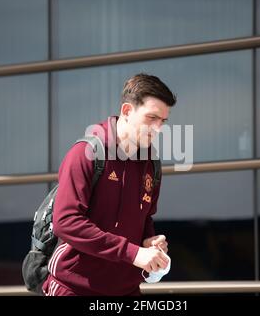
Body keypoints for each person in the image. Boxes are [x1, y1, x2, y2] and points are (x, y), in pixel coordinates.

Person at [42, 73, 177, 296]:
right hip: (74, 287)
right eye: (151, 118)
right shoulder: (87, 153)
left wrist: (149, 242)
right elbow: (65, 222)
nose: (158, 128)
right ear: (127, 111)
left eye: (162, 121)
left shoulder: (151, 164)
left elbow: (145, 218)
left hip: (127, 290)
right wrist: (133, 253)